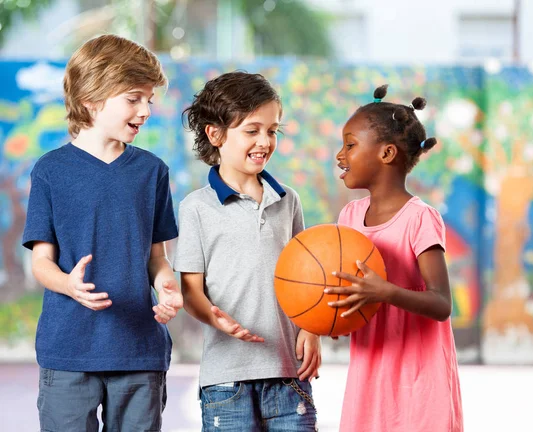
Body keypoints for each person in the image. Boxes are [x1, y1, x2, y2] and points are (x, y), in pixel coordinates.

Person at [22, 34, 182, 431]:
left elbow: (156, 257)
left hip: (140, 351)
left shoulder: (152, 172)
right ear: (91, 99)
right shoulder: (50, 171)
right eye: (133, 98)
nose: (145, 110)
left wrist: (167, 285)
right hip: (68, 351)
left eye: (149, 98)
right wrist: (68, 284)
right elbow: (41, 262)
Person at [174, 71, 320, 431]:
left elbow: (306, 278)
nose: (265, 141)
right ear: (216, 134)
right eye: (252, 130)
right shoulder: (195, 208)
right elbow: (191, 290)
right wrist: (213, 315)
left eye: (272, 130)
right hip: (226, 382)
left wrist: (312, 329)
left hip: (290, 375)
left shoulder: (289, 200)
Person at [326, 85, 463, 431]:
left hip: (420, 385)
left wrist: (384, 292)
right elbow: (351, 292)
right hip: (370, 381)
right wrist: (335, 317)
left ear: (386, 153)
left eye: (350, 145)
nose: (340, 155)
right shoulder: (349, 217)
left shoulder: (420, 218)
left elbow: (441, 303)